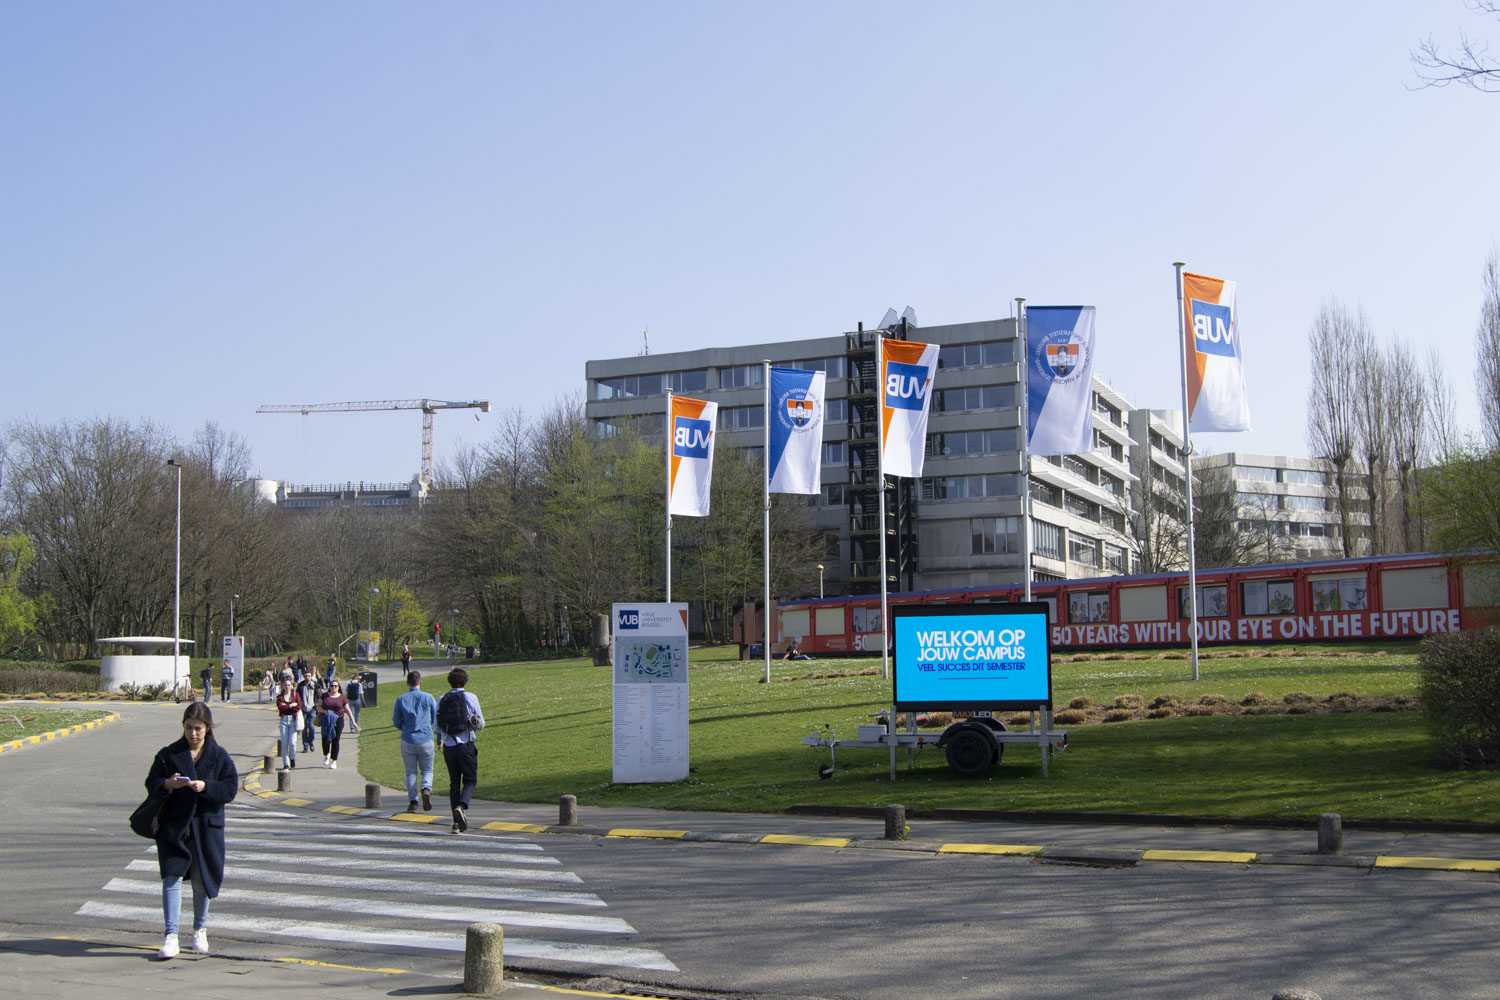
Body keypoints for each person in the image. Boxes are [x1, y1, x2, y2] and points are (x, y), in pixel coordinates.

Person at [144, 701, 237, 959]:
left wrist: (206, 786)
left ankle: (199, 929)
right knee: (171, 877)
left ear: (207, 728)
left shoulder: (219, 756)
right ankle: (171, 935)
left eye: (198, 728)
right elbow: (151, 782)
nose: (192, 734)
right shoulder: (169, 754)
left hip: (206, 828)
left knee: (200, 880)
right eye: (188, 728)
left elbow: (230, 789)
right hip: (175, 827)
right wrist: (167, 784)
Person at [437, 667, 484, 833]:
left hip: (449, 746)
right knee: (470, 780)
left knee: (454, 782)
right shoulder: (470, 697)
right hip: (466, 743)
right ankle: (461, 806)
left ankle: (455, 824)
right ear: (465, 681)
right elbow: (480, 724)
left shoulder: (442, 698)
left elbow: (437, 725)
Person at [392, 669, 437, 813]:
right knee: (427, 769)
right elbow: (436, 718)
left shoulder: (401, 699)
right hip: (425, 738)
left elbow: (396, 721)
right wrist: (440, 737)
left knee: (411, 772)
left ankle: (413, 801)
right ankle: (426, 788)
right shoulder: (428, 697)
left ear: (407, 683)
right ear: (420, 682)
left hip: (408, 739)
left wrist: (404, 728)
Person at [317, 679, 359, 768]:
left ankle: (334, 760)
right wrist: (324, 711)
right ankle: (327, 754)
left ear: (338, 687)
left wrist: (353, 721)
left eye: (336, 686)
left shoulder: (342, 697)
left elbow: (347, 709)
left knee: (335, 740)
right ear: (330, 687)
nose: (334, 688)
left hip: (338, 720)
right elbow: (318, 707)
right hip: (326, 720)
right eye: (332, 686)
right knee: (325, 739)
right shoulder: (324, 696)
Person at [275, 675, 302, 769]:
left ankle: (292, 758)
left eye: (289, 685)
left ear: (291, 686)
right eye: (286, 685)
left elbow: (298, 706)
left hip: (293, 720)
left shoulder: (295, 695)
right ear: (283, 686)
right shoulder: (280, 697)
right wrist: (290, 706)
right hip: (284, 720)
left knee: (292, 743)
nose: (287, 687)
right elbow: (280, 707)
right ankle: (286, 763)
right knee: (284, 743)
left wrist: (286, 706)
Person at [296, 670, 319, 753]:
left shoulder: (315, 685)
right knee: (304, 728)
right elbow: (297, 697)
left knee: (312, 727)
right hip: (303, 709)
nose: (307, 678)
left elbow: (318, 696)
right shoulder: (301, 686)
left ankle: (311, 743)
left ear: (311, 676)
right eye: (306, 676)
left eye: (309, 676)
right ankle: (305, 746)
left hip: (312, 708)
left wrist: (317, 707)